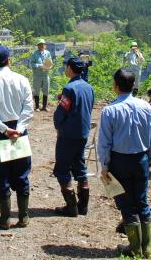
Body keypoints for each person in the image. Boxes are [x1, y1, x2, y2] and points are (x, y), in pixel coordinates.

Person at [97, 68, 151, 257]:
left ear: (115, 85)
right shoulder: (146, 107)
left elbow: (104, 143)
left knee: (125, 203)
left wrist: (104, 166)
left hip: (119, 160)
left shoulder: (109, 111)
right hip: (141, 158)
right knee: (142, 200)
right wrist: (150, 158)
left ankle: (134, 247)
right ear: (133, 86)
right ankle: (147, 248)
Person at [0, 45, 34, 230]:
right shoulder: (22, 80)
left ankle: (5, 218)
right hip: (19, 131)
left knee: (0, 173)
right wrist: (18, 128)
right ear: (9, 60)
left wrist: (4, 129)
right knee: (21, 172)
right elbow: (28, 108)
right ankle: (24, 216)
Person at [53, 57, 95, 218]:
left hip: (68, 133)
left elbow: (62, 112)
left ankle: (71, 207)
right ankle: (83, 206)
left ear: (70, 69)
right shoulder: (89, 87)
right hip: (83, 132)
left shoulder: (69, 88)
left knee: (62, 168)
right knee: (79, 164)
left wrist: (58, 125)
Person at [29, 39, 52, 111]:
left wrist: (49, 67)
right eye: (40, 44)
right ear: (38, 46)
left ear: (44, 45)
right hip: (37, 75)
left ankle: (45, 106)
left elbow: (50, 62)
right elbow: (31, 63)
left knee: (46, 90)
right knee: (36, 90)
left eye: (43, 44)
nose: (41, 46)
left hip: (45, 75)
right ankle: (37, 107)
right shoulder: (34, 53)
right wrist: (39, 65)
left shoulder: (47, 53)